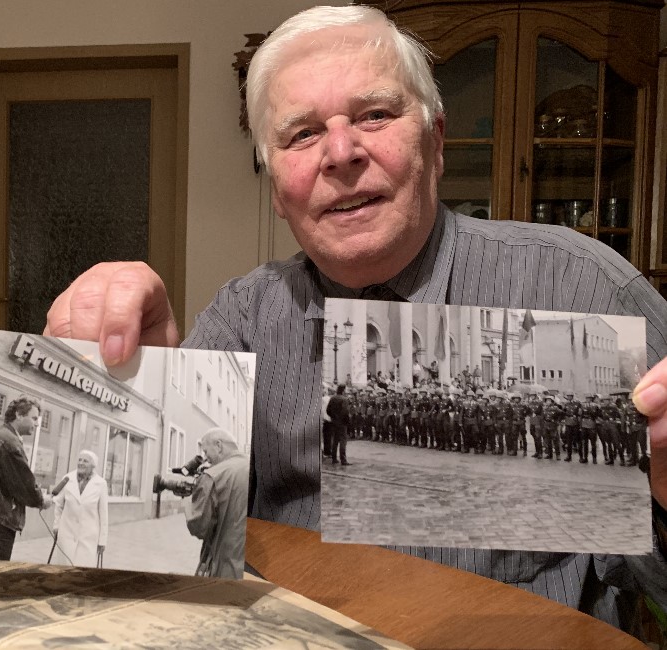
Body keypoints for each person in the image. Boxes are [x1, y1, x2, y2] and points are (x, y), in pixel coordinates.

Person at [44, 5, 667, 637]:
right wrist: (128, 388)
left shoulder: (582, 288)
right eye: (302, 134)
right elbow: (160, 552)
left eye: (375, 114)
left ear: (436, 141)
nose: (341, 153)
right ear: (276, 188)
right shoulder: (244, 318)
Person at [0, 397, 53, 560]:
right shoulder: (10, 443)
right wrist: (41, 500)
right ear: (19, 415)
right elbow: (24, 485)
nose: (37, 423)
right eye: (34, 418)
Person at [185, 428, 249, 579]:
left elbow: (199, 527)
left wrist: (189, 500)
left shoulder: (213, 476)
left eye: (206, 452)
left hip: (226, 569)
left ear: (219, 446)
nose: (206, 459)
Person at [52, 450, 109, 568]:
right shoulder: (67, 478)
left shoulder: (101, 484)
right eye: (79, 460)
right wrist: (56, 525)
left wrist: (102, 540)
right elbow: (59, 504)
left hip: (88, 537)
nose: (81, 463)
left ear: (93, 466)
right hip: (66, 533)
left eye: (85, 461)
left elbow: (104, 514)